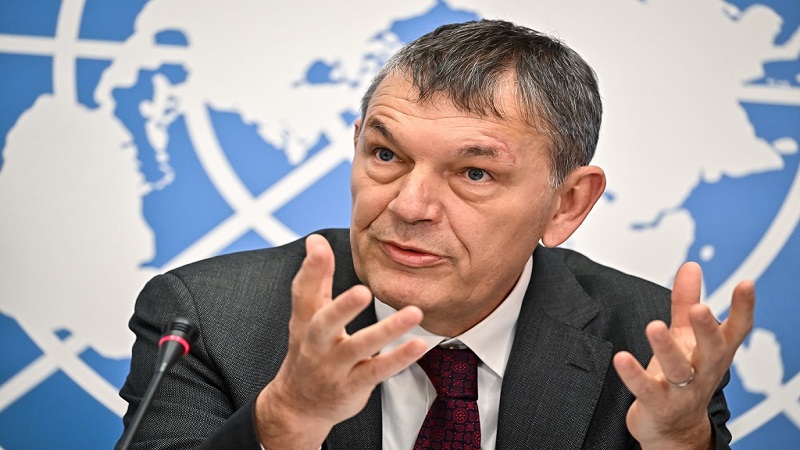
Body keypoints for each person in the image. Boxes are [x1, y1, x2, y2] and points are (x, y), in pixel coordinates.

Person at [117, 19, 754, 449]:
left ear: (566, 203)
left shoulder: (651, 345)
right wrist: (283, 424)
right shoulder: (208, 317)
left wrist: (680, 444)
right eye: (386, 155)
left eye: (474, 173)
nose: (410, 205)